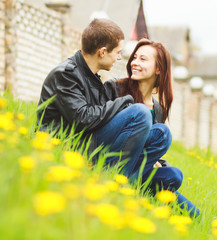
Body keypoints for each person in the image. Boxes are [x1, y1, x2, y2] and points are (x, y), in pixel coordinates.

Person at [37, 19, 162, 181]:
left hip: (86, 143)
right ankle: (120, 180)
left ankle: (129, 177)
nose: (119, 58)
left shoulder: (92, 77)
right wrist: (125, 102)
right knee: (140, 112)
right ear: (102, 52)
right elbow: (83, 119)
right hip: (64, 146)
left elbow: (99, 117)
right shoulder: (65, 75)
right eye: (117, 52)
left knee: (163, 135)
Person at [105, 38, 200, 218]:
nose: (135, 63)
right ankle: (122, 188)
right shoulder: (114, 88)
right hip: (113, 160)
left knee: (176, 179)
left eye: (143, 59)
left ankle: (131, 184)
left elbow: (152, 148)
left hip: (140, 167)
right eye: (135, 58)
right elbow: (105, 129)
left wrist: (157, 161)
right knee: (163, 133)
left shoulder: (157, 109)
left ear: (158, 68)